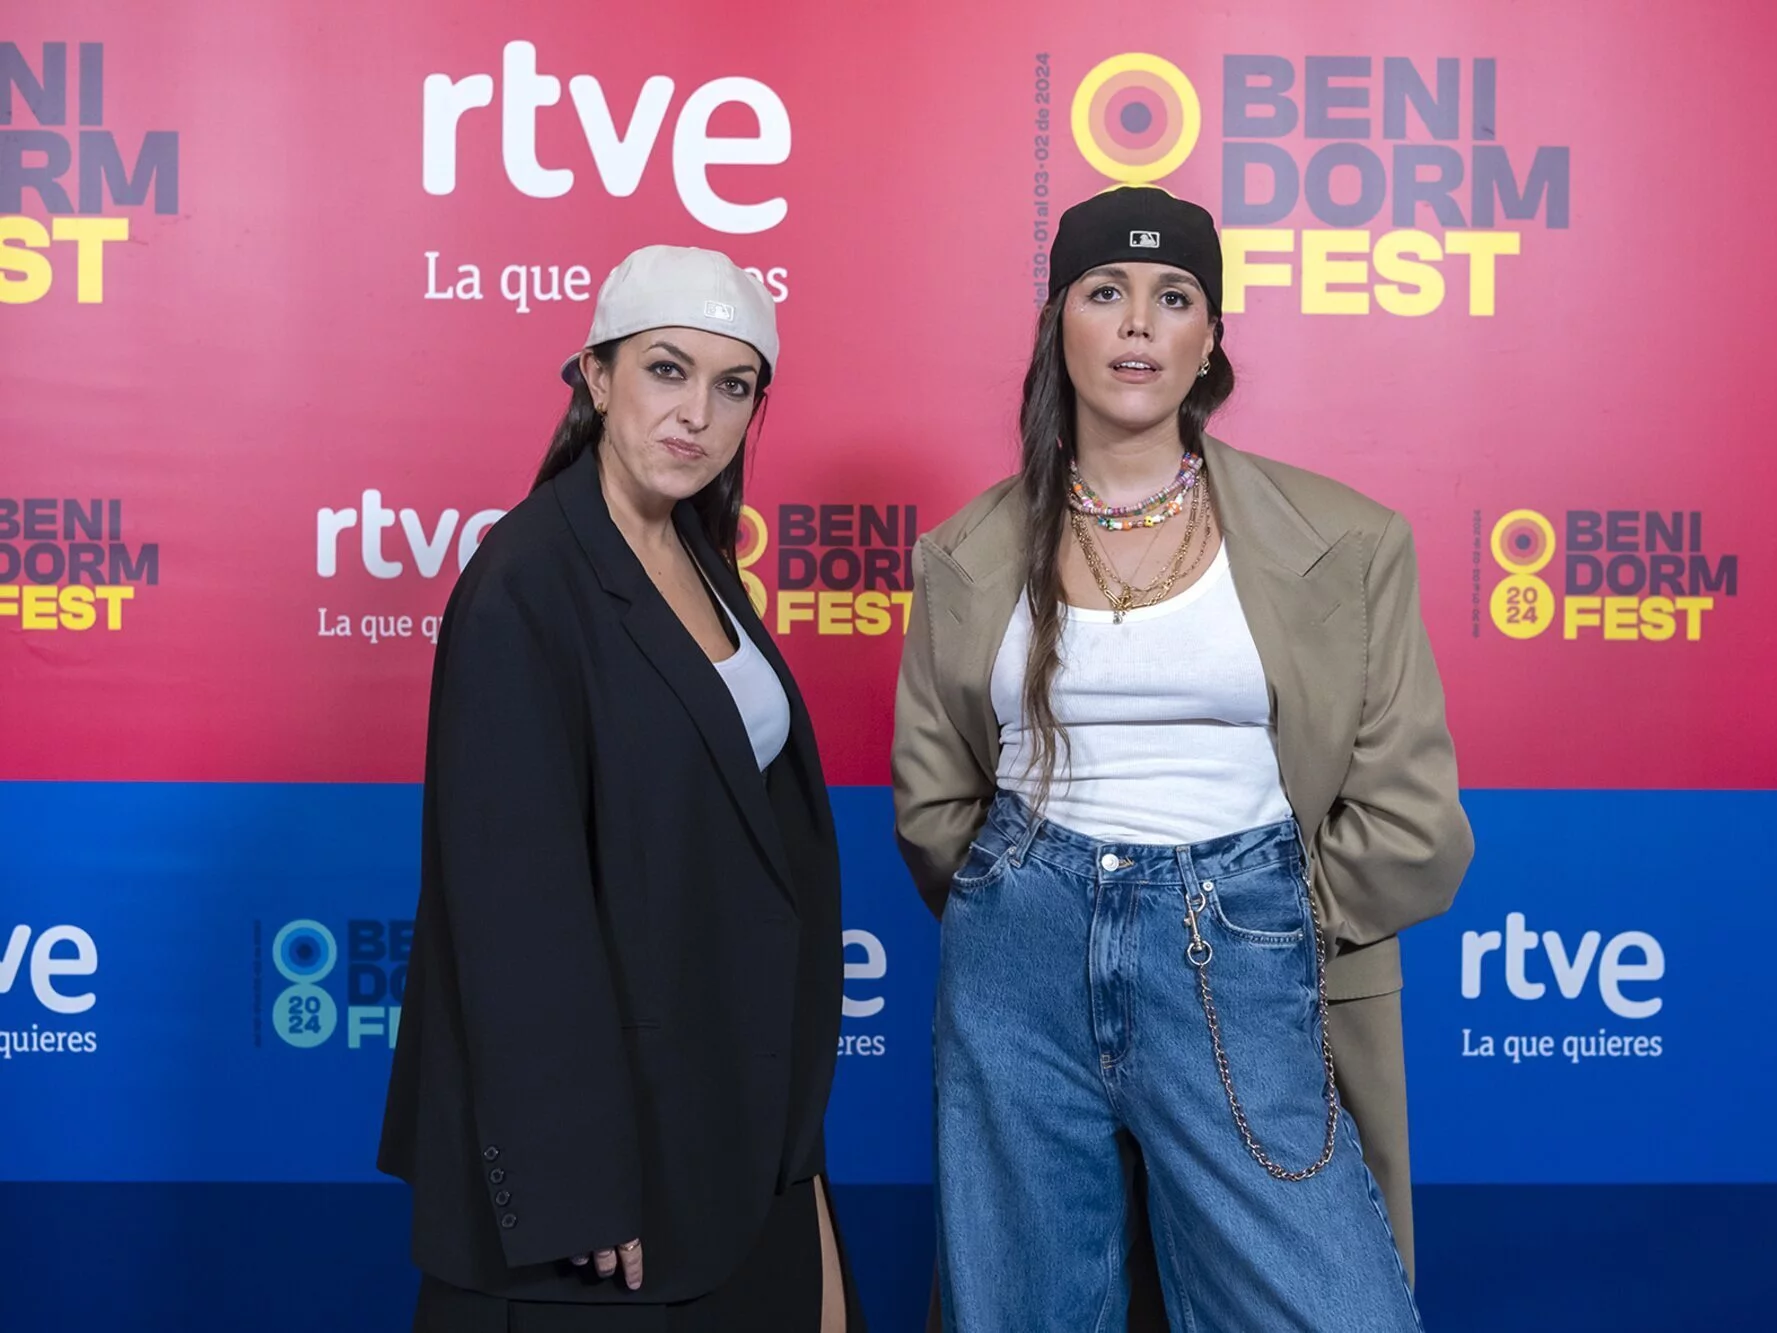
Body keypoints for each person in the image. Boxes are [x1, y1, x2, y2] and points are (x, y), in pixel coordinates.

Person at [891, 187, 1473, 1331]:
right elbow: (935, 807)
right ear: (1058, 324)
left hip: (1237, 945)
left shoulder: (1346, 541)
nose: (1137, 324)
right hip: (1019, 966)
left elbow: (1412, 820)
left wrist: (1267, 915)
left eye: (1172, 298)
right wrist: (1023, 901)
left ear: (1209, 338)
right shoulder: (961, 555)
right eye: (1104, 292)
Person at [379, 245, 862, 1332]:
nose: (696, 413)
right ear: (596, 377)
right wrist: (570, 1177)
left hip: (734, 1116)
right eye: (665, 370)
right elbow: (512, 911)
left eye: (732, 386)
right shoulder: (525, 582)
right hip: (610, 1177)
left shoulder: (692, 551)